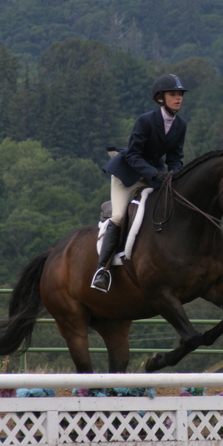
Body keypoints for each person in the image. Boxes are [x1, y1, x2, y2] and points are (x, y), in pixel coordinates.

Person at [91, 73, 189, 292]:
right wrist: (156, 173)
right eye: (173, 94)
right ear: (160, 98)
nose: (178, 98)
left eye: (180, 94)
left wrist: (175, 176)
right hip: (127, 175)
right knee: (119, 216)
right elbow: (133, 156)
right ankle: (102, 270)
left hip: (154, 176)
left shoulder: (180, 125)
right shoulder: (145, 121)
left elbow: (175, 158)